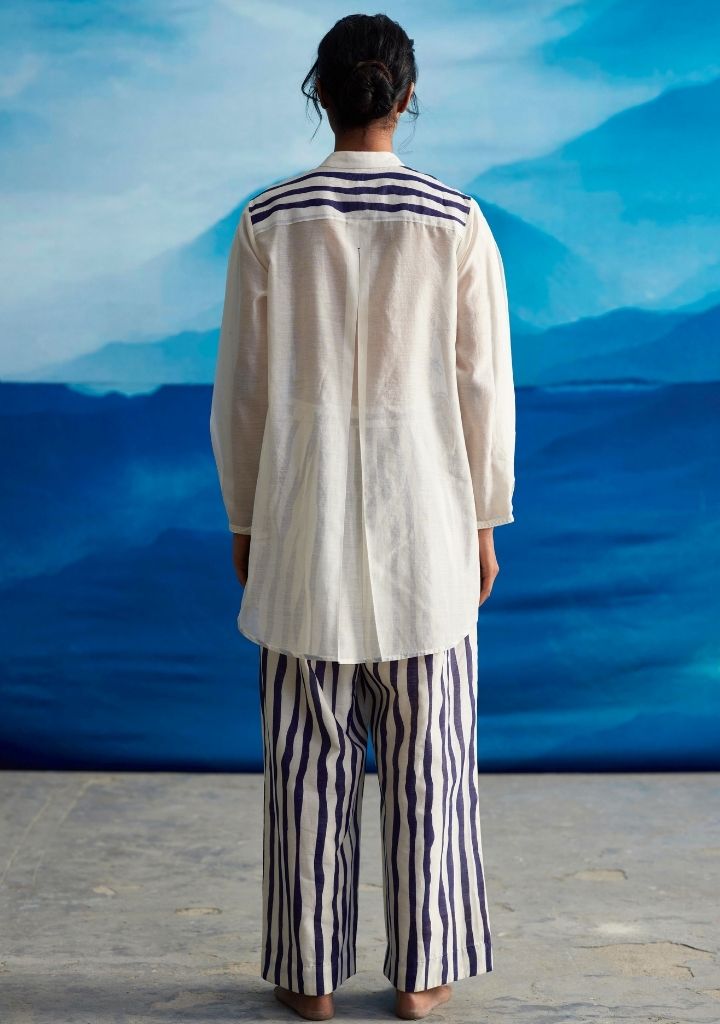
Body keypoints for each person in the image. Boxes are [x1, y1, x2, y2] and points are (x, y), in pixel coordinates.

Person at [210, 13, 516, 1021]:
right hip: (426, 521)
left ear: (320, 93)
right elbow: (482, 387)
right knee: (432, 761)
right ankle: (422, 975)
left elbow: (242, 393)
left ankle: (308, 974)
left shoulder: (269, 221)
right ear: (407, 96)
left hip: (301, 524)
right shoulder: (456, 220)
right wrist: (485, 518)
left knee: (307, 760)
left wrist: (245, 518)